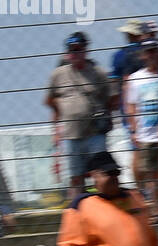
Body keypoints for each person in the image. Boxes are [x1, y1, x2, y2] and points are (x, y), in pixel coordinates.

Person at [45, 31, 113, 195]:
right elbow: (50, 101)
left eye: (77, 49)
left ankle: (103, 206)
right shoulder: (58, 75)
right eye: (71, 49)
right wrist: (56, 130)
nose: (74, 53)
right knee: (76, 177)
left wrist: (102, 115)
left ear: (85, 50)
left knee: (100, 173)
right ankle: (78, 210)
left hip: (95, 133)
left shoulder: (99, 73)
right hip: (72, 135)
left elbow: (110, 99)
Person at [123, 40, 158, 214]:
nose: (152, 55)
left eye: (155, 51)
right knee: (149, 173)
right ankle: (155, 209)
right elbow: (130, 105)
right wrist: (133, 130)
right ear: (143, 55)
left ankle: (157, 200)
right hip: (147, 134)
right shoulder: (136, 79)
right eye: (148, 52)